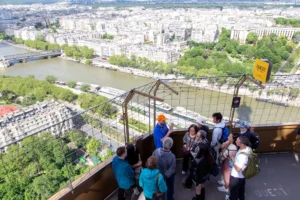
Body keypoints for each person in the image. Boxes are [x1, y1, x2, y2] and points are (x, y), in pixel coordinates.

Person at [226, 135, 251, 200]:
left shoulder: (242, 156)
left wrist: (233, 160)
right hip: (242, 176)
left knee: (233, 194)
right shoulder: (248, 149)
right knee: (241, 193)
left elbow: (238, 169)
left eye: (237, 141)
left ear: (242, 144)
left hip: (236, 177)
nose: (236, 141)